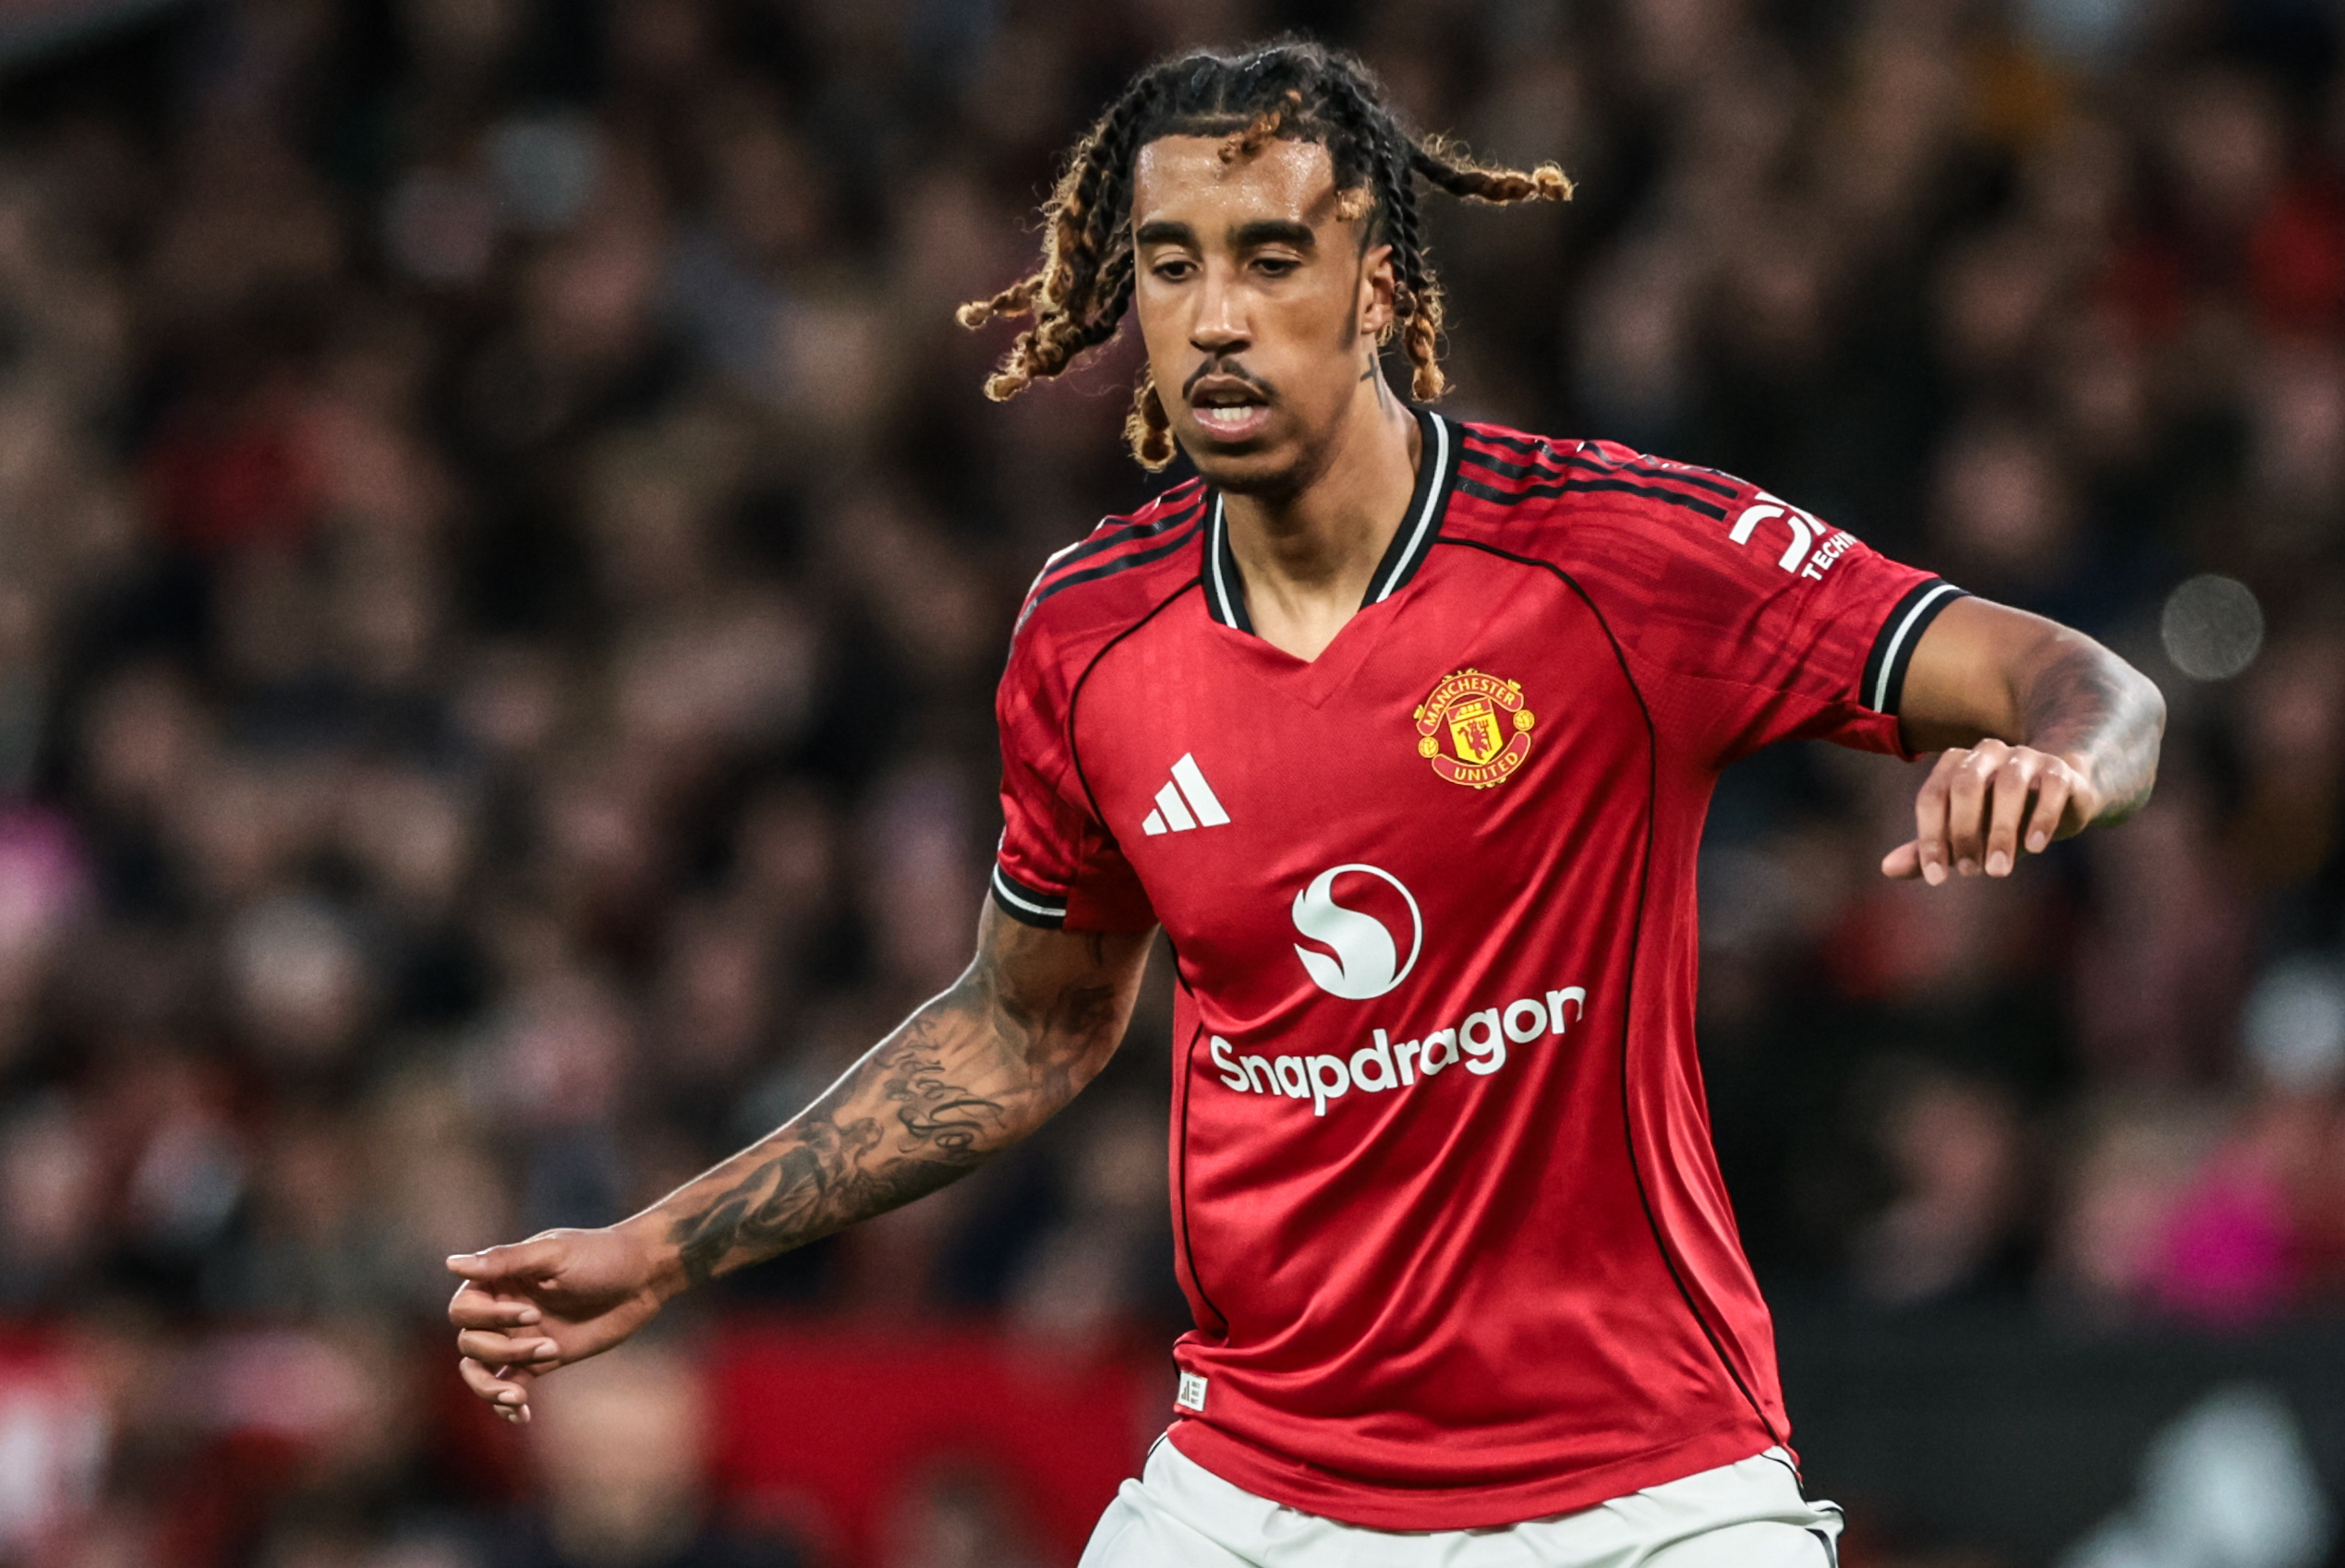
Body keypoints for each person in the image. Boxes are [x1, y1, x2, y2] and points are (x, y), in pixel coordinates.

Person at [446, 39, 2165, 1568]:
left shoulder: (1608, 557)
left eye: (1272, 258)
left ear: (1380, 287)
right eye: (1169, 264)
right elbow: (1025, 1028)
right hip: (1257, 1495)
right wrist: (665, 1246)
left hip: (1643, 1488)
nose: (1212, 314)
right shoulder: (1086, 633)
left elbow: (2084, 679)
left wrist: (2057, 762)